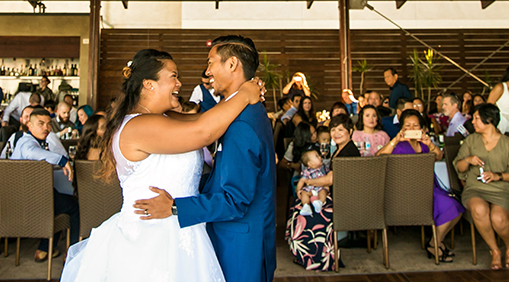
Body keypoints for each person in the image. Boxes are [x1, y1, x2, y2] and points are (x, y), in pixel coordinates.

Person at [124, 39, 274, 282]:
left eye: (210, 62)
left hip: (235, 244)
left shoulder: (242, 122)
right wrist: (245, 92)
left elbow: (235, 199)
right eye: (174, 76)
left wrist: (175, 207)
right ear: (148, 84)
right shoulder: (237, 113)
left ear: (233, 64)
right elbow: (204, 128)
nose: (206, 72)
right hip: (156, 233)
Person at [378, 109, 464, 262]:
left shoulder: (423, 145)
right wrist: (395, 140)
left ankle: (435, 242)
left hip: (430, 189)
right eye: (407, 126)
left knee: (458, 207)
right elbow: (379, 157)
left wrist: (429, 142)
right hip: (407, 192)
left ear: (421, 128)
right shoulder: (398, 146)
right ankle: (436, 245)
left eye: (415, 125)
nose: (411, 129)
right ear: (402, 128)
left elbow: (438, 156)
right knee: (451, 205)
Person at [454, 103, 509, 270]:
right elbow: (458, 167)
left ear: (489, 120)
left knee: (498, 219)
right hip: (475, 189)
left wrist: (497, 176)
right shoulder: (471, 140)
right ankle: (495, 251)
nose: (473, 122)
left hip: (502, 190)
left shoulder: (508, 143)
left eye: (477, 119)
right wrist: (468, 160)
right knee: (479, 209)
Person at [285, 114, 357, 271]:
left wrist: (307, 183)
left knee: (304, 211)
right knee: (301, 204)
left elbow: (330, 180)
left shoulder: (347, 152)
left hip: (343, 200)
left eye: (340, 130)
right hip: (340, 194)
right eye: (333, 130)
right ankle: (306, 254)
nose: (336, 133)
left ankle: (314, 256)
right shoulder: (340, 149)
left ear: (350, 132)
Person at [11, 108, 79, 262]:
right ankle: (73, 253)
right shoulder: (26, 142)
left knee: (56, 200)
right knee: (74, 206)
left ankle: (44, 248)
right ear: (30, 125)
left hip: (23, 199)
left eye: (48, 124)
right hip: (31, 201)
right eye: (40, 124)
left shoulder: (34, 142)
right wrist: (62, 160)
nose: (46, 128)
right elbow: (31, 153)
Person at [295, 147, 328, 216]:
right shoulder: (306, 171)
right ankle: (306, 206)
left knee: (323, 192)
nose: (320, 157)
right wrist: (298, 190)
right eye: (317, 156)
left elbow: (327, 178)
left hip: (320, 188)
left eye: (319, 155)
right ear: (310, 164)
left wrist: (327, 187)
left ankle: (320, 202)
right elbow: (302, 180)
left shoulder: (324, 168)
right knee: (304, 193)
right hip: (310, 189)